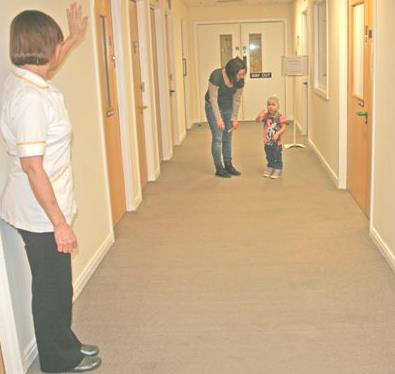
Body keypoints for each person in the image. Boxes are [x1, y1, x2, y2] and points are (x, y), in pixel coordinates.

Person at [0, 4, 101, 373]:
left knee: (58, 287)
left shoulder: (27, 78)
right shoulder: (29, 98)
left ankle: (65, 344)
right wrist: (60, 222)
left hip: (41, 206)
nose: (61, 49)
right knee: (51, 290)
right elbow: (31, 166)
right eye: (58, 42)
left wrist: (73, 36)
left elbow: (51, 66)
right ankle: (57, 361)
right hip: (40, 212)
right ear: (46, 46)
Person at [204, 57, 246, 178]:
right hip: (212, 106)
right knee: (218, 137)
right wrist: (218, 119)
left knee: (227, 137)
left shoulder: (240, 81)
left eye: (244, 74)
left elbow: (237, 100)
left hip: (228, 107)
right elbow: (213, 99)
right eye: (240, 74)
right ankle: (219, 168)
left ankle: (228, 164)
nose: (242, 76)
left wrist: (234, 118)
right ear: (232, 72)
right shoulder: (216, 76)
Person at [256, 96, 286, 179]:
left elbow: (283, 128)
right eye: (269, 104)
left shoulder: (280, 117)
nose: (270, 106)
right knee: (268, 155)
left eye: (273, 105)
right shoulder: (266, 116)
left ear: (278, 106)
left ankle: (277, 168)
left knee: (276, 155)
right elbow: (257, 120)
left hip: (277, 142)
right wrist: (259, 115)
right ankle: (270, 166)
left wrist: (278, 133)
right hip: (267, 140)